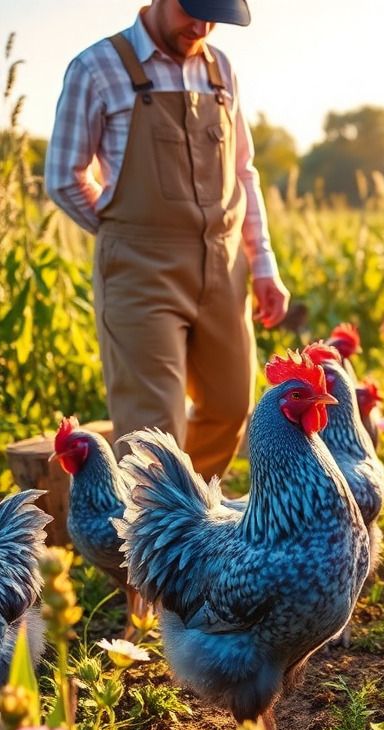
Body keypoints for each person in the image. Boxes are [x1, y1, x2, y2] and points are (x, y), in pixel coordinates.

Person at [45, 0, 290, 480]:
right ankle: (151, 547)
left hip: (222, 265)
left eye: (214, 17)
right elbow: (63, 175)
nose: (200, 27)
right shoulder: (96, 68)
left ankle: (188, 526)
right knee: (153, 428)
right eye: (191, 11)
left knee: (231, 402)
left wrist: (263, 265)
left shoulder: (220, 69)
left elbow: (243, 172)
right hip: (140, 272)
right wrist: (124, 230)